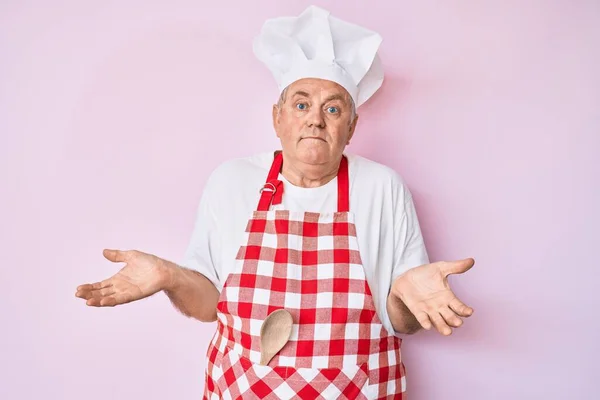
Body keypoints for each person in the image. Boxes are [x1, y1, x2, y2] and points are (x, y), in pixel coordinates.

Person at [75, 5, 475, 399]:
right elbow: (209, 305)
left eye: (333, 109)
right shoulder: (231, 181)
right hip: (243, 388)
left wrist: (404, 293)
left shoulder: (383, 187)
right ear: (277, 117)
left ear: (351, 127)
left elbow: (402, 322)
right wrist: (171, 276)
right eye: (301, 105)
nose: (315, 120)